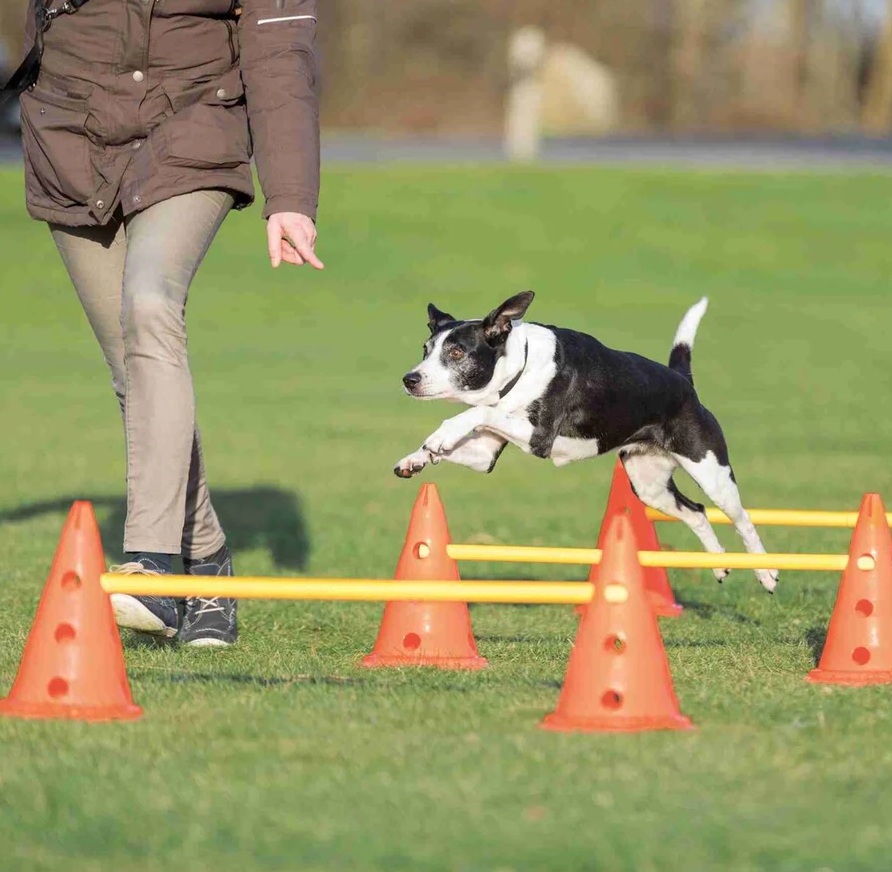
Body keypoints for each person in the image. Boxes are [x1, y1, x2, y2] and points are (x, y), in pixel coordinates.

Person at [15, 0, 323, 646]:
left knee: (150, 304)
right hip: (71, 138)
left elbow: (279, 52)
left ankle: (151, 568)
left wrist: (290, 196)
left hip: (191, 130)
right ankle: (207, 561)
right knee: (133, 370)